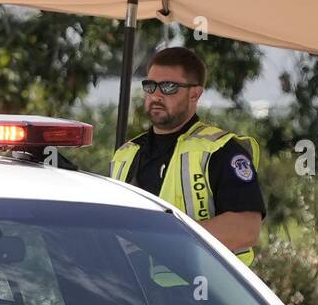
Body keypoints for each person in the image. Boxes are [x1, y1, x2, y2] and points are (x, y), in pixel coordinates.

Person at [110, 47, 264, 266]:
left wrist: (160, 240)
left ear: (195, 93)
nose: (156, 95)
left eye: (169, 87)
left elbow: (246, 229)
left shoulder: (221, 150)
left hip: (205, 293)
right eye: (150, 86)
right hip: (134, 292)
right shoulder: (125, 154)